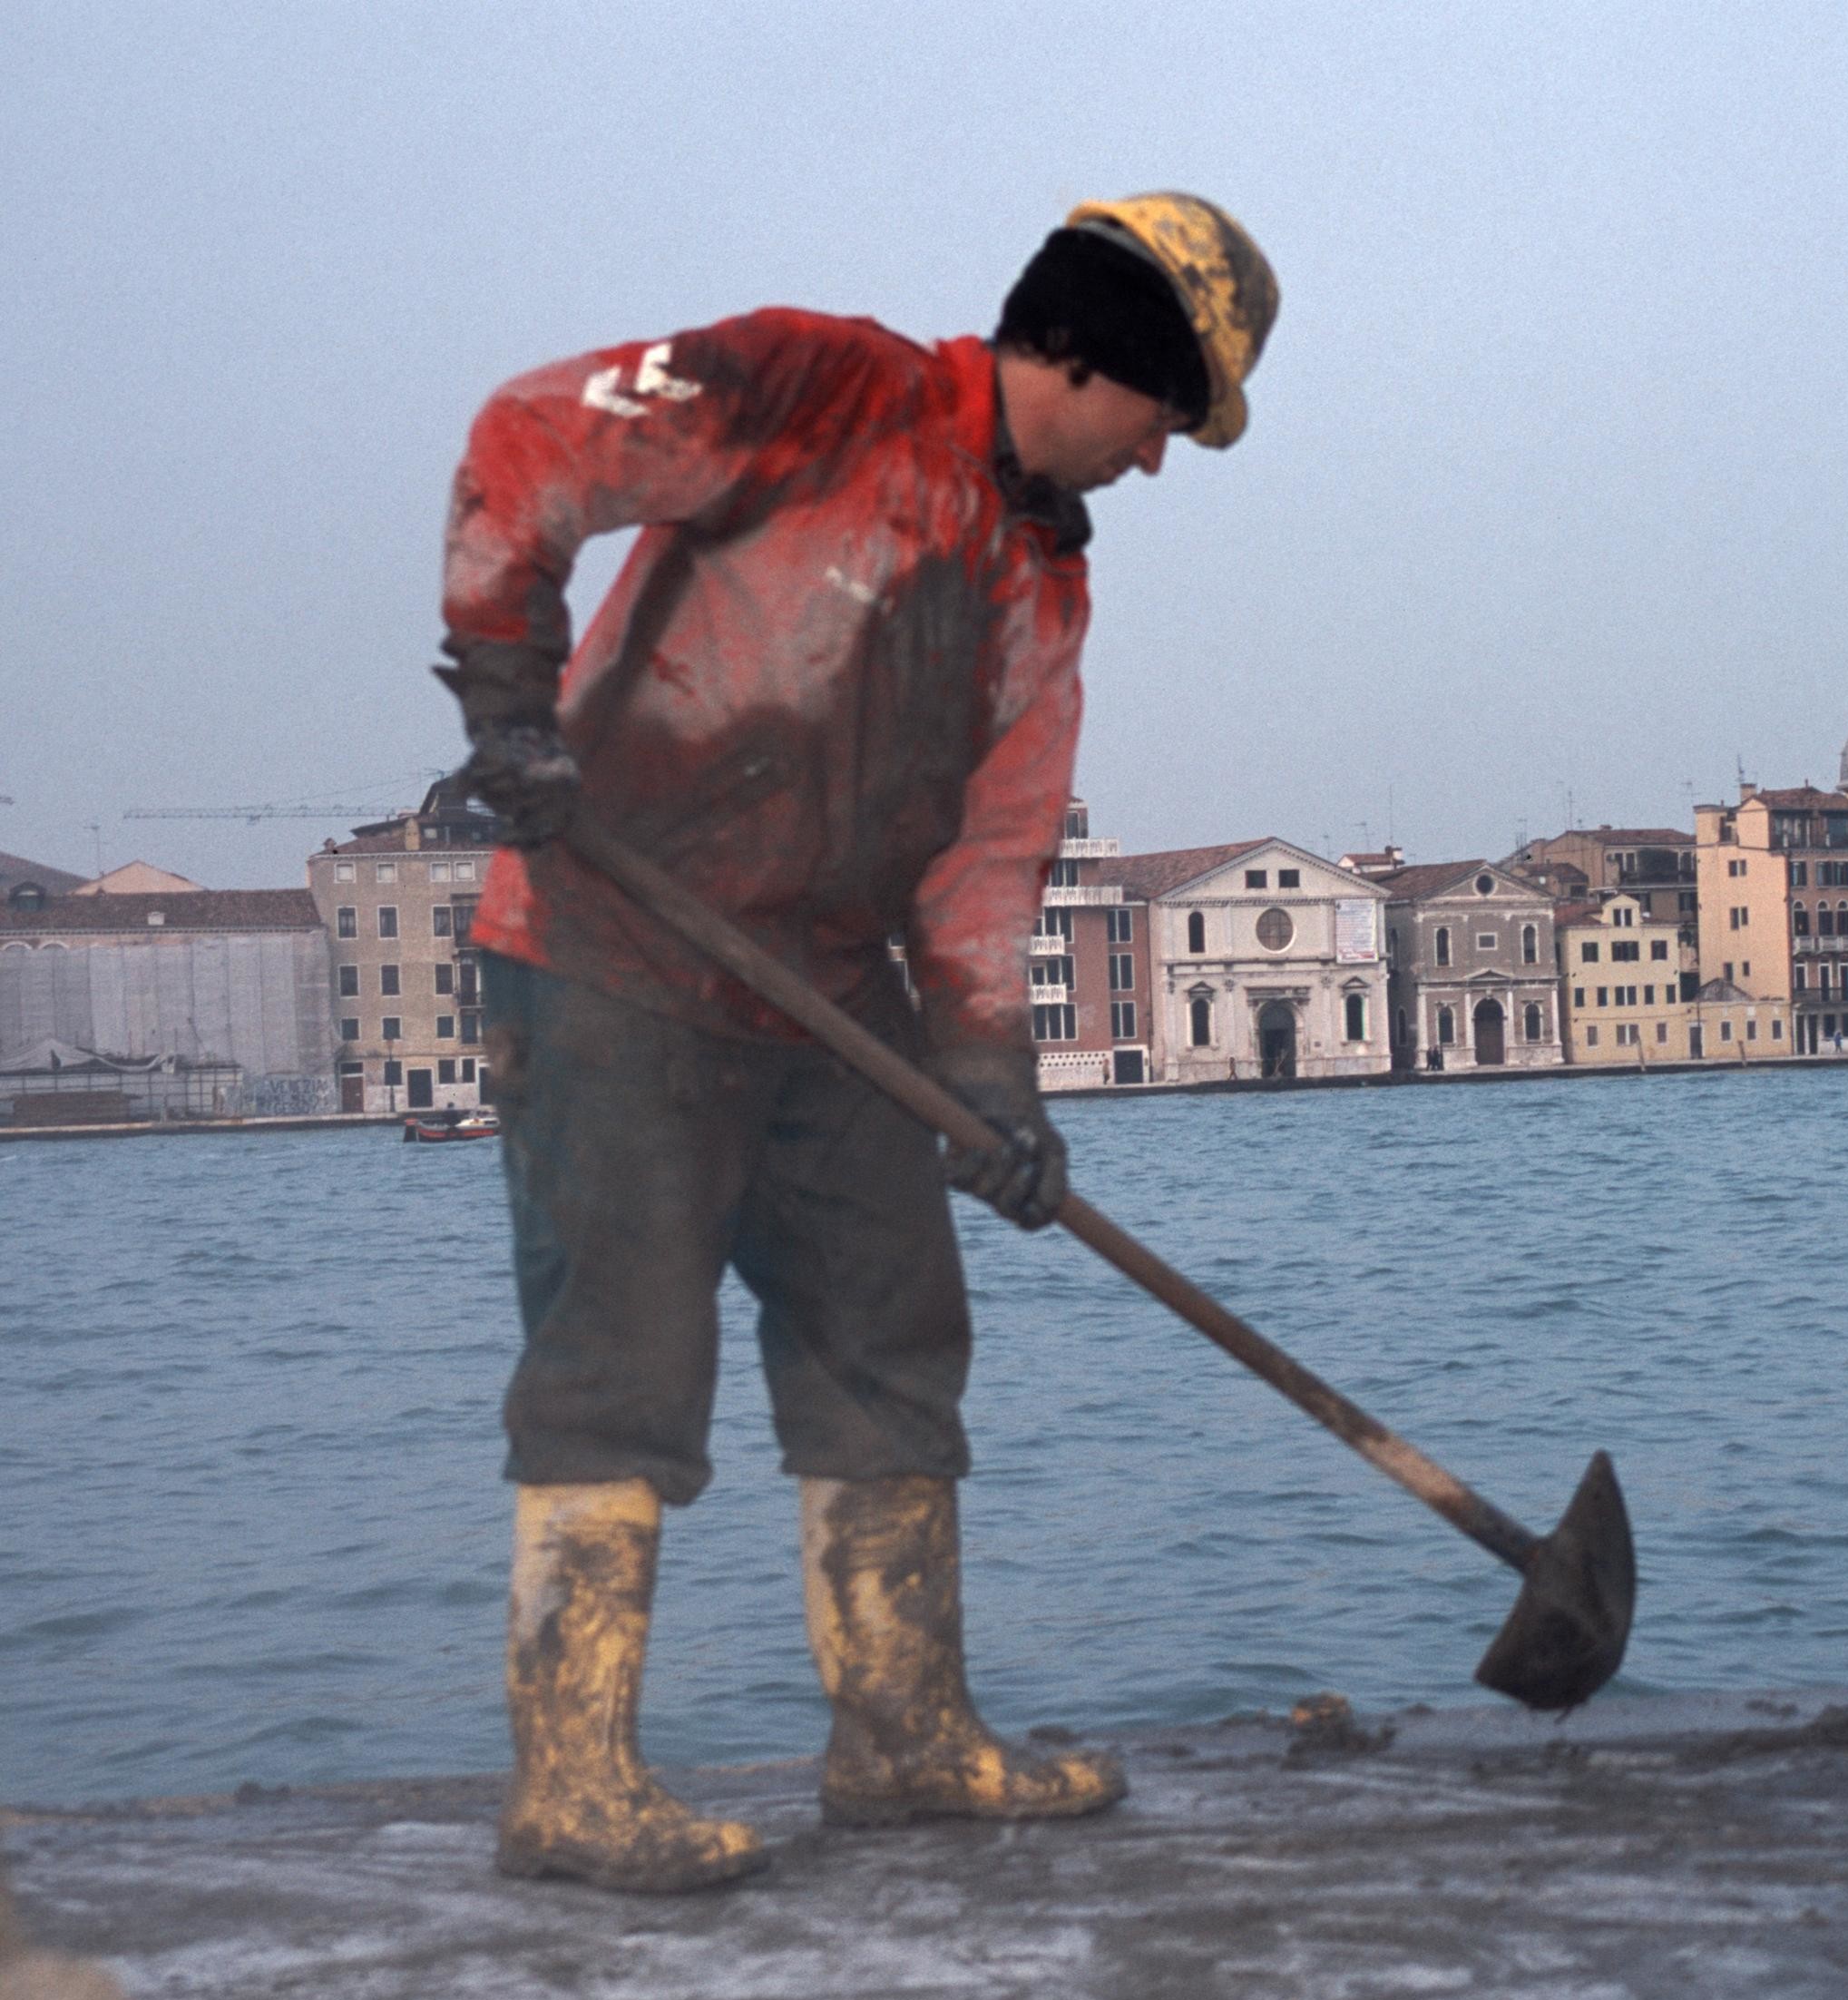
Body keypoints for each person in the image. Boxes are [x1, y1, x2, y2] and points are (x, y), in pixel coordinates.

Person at [436, 194, 1276, 1893]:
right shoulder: (822, 391)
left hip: (825, 994)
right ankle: (571, 1785)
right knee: (619, 1365)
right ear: (1094, 359)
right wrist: (511, 702)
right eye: (1168, 418)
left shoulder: (1041, 581)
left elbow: (988, 848)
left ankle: (900, 1741)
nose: (1161, 461)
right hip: (616, 942)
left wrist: (984, 1076)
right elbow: (535, 437)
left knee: (894, 1332)